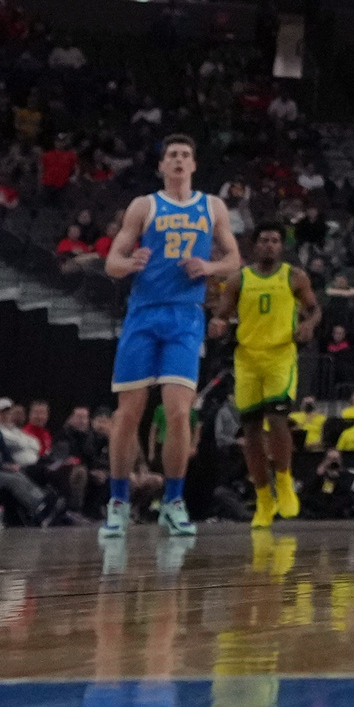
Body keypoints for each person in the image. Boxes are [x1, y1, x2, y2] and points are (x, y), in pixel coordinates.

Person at [102, 133, 244, 536]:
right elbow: (112, 261)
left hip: (185, 317)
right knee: (128, 413)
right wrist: (130, 264)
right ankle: (117, 501)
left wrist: (209, 267)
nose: (179, 161)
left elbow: (234, 259)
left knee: (180, 413)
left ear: (194, 165)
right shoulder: (144, 205)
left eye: (186, 154)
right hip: (143, 315)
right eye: (172, 156)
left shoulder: (212, 206)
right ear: (162, 166)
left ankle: (174, 501)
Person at [229, 222, 318, 527]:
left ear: (282, 246)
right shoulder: (239, 279)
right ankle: (263, 498)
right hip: (247, 359)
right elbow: (222, 314)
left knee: (278, 419)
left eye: (275, 240)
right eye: (264, 240)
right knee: (251, 433)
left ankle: (283, 480)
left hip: (280, 355)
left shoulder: (294, 276)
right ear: (254, 245)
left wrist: (308, 325)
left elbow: (314, 309)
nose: (269, 245)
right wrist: (217, 323)